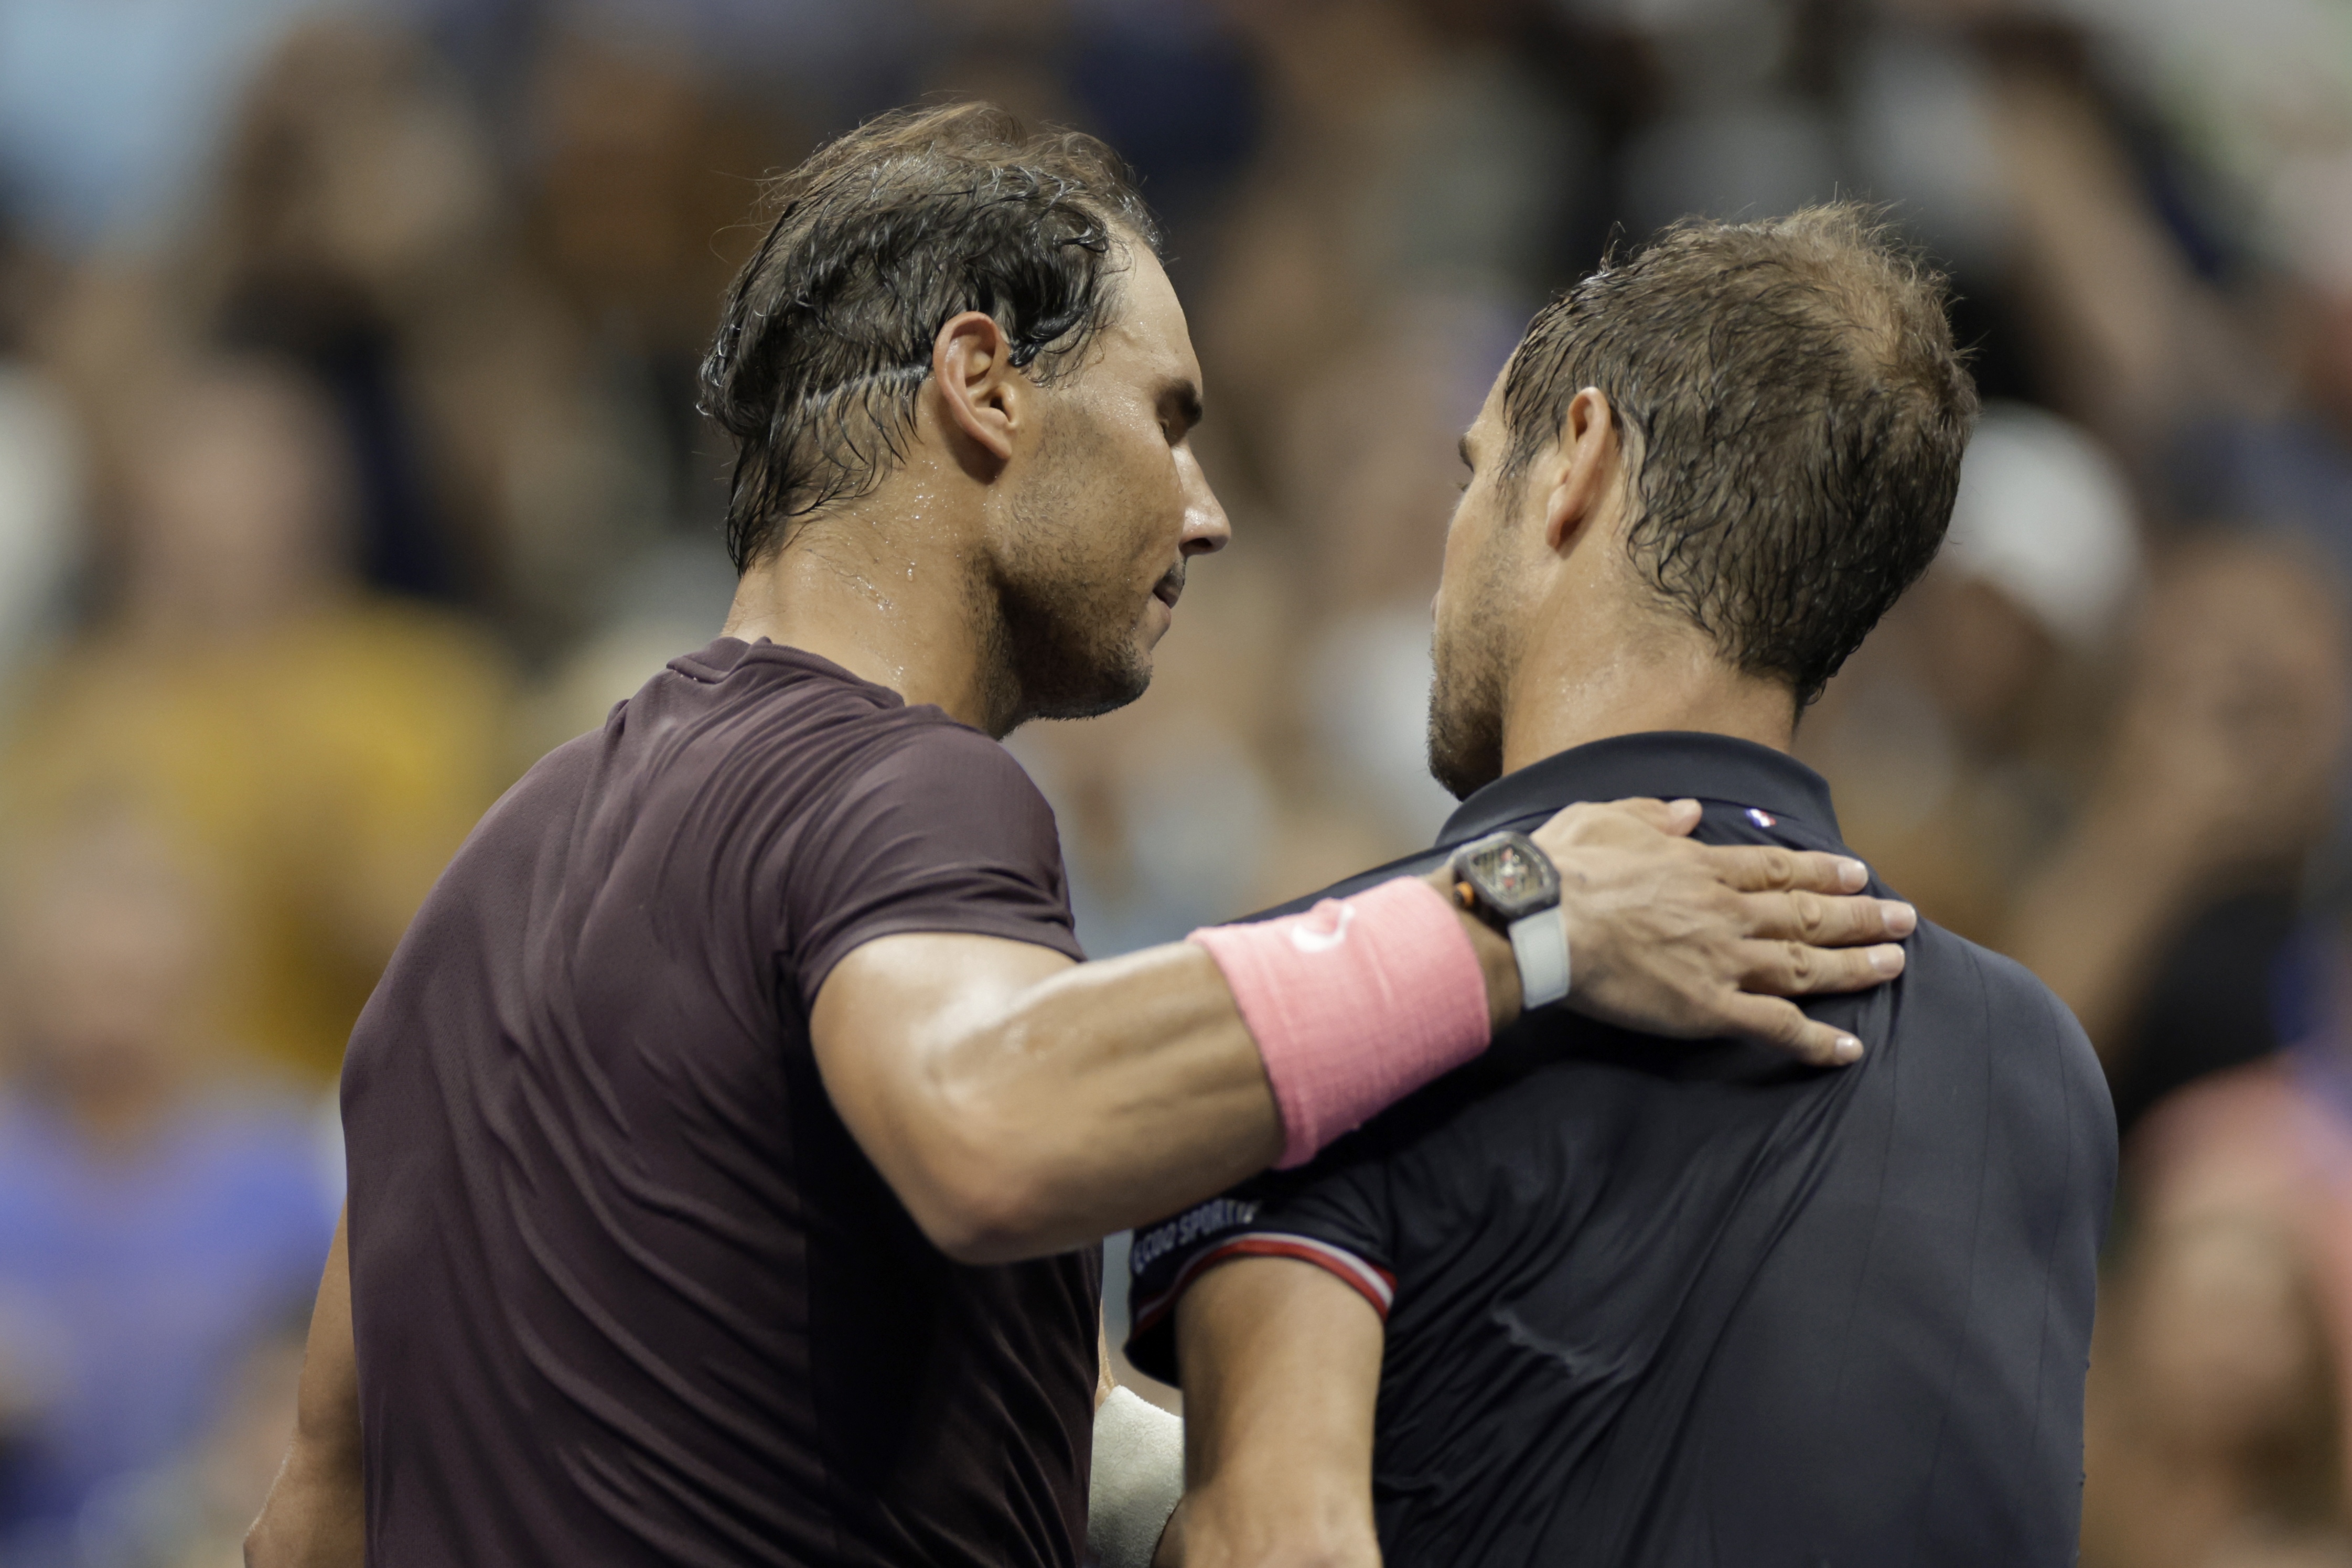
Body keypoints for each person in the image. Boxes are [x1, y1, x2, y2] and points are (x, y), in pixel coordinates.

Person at [245, 108, 1916, 1568]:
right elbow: (989, 1122)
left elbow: (314, 1520)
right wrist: (1534, 908)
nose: (1208, 510)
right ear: (984, 388)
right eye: (1168, 417)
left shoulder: (488, 878)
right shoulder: (900, 785)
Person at [1126, 207, 2116, 1566]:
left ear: (1575, 460)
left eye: (1472, 470)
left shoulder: (1331, 992)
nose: (1448, 548)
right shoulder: (2043, 1070)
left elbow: (1271, 1544)